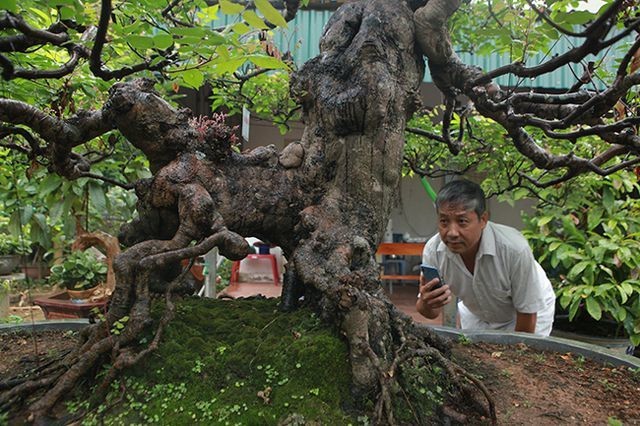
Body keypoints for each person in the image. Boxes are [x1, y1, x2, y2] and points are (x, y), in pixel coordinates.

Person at [416, 179, 555, 336]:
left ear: (483, 220)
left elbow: (527, 313)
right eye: (444, 221)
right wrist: (426, 302)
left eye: (462, 221)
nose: (452, 232)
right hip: (476, 314)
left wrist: (515, 353)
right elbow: (430, 313)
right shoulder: (433, 251)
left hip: (528, 312)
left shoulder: (514, 249)